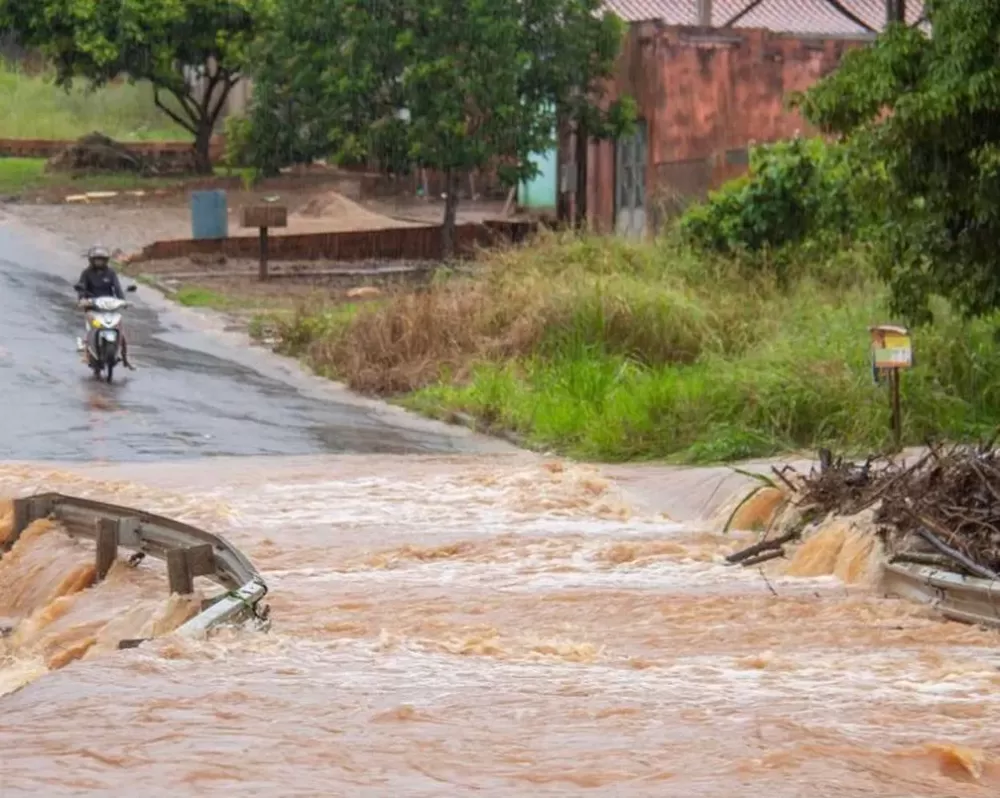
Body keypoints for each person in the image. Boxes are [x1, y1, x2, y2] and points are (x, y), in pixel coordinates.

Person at [74, 245, 134, 370]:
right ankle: (86, 353)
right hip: (92, 306)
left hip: (109, 306)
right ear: (92, 260)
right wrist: (82, 300)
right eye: (97, 260)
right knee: (91, 327)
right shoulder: (86, 273)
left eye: (101, 260)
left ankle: (125, 358)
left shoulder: (111, 273)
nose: (99, 262)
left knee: (120, 329)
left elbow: (117, 288)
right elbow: (81, 288)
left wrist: (123, 301)